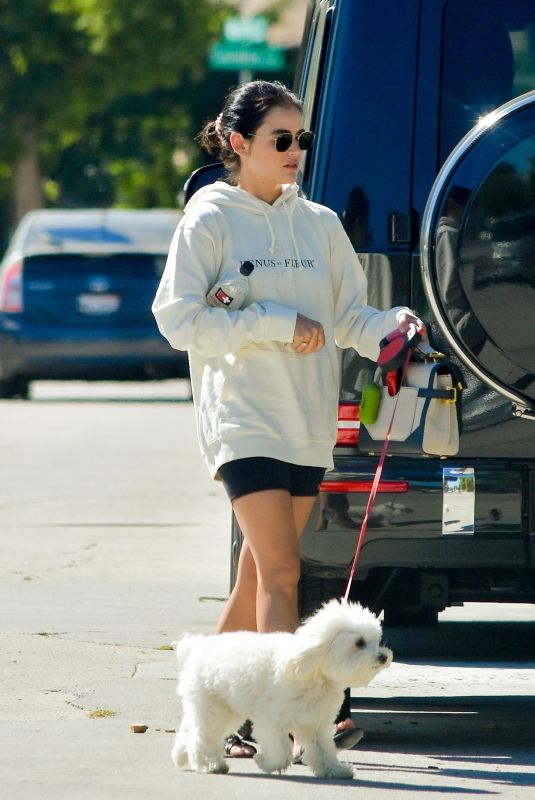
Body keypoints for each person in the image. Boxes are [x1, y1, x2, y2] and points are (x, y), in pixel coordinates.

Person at [152, 80, 425, 760]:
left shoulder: (319, 224)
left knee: (255, 574)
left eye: (301, 138)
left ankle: (202, 711)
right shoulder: (209, 218)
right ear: (239, 145)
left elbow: (350, 319)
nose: (295, 150)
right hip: (242, 417)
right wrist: (273, 323)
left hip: (305, 420)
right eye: (281, 138)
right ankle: (286, 719)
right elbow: (177, 320)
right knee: (280, 569)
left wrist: (392, 328)